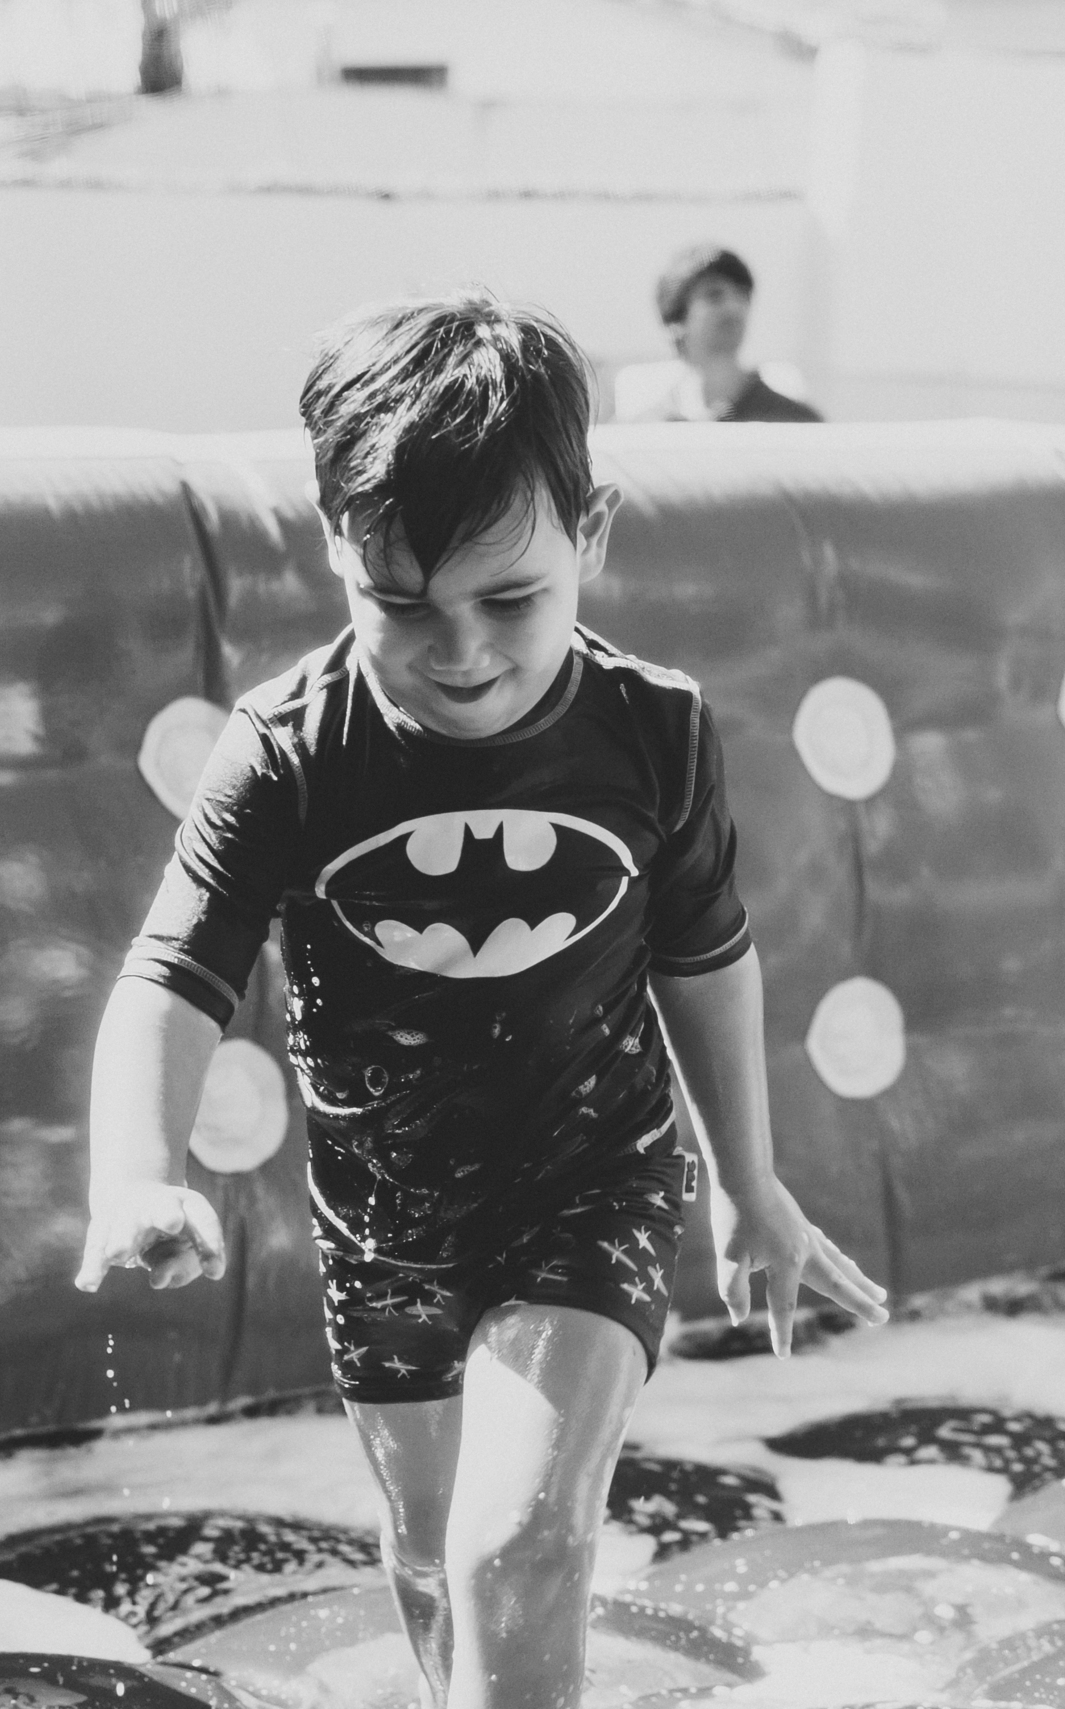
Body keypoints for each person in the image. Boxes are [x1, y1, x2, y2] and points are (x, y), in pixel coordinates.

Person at [75, 291, 886, 1709]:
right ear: (336, 550)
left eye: (511, 600)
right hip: (384, 1213)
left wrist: (748, 1182)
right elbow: (171, 977)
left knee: (516, 1545)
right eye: (402, 605)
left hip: (593, 1173)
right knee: (429, 1556)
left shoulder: (651, 729)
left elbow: (703, 953)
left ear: (592, 535)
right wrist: (137, 1174)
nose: (460, 652)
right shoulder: (290, 752)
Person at [614, 244, 823, 425]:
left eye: (742, 295)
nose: (733, 307)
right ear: (677, 319)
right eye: (714, 296)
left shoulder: (791, 420)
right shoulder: (646, 428)